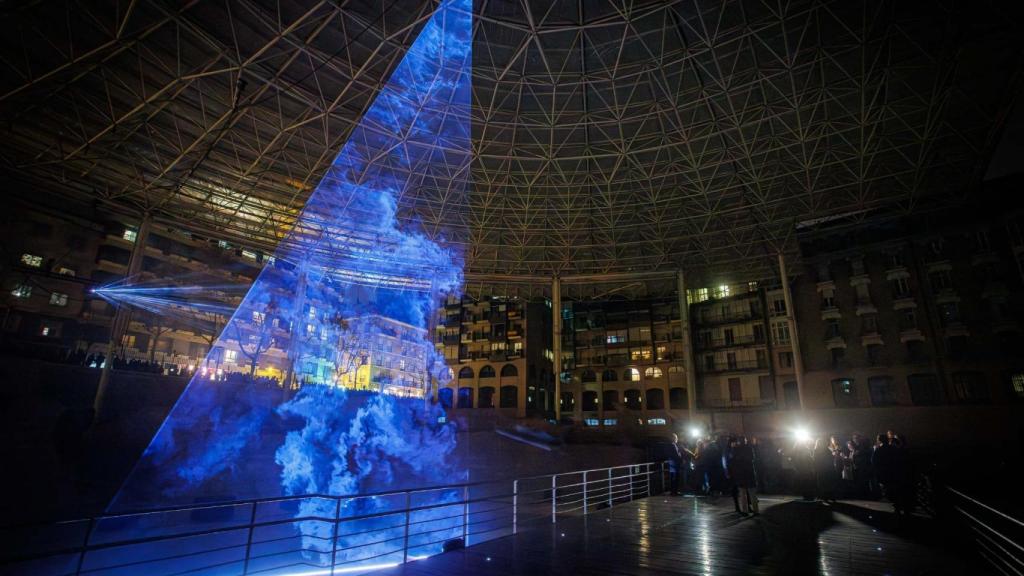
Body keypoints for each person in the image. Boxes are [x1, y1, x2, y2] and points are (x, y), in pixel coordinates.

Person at [728, 436, 759, 515]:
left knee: (743, 493)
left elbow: (732, 461)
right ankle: (756, 510)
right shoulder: (749, 448)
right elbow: (753, 458)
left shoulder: (735, 450)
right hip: (749, 472)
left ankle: (745, 511)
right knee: (752, 493)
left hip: (741, 474)